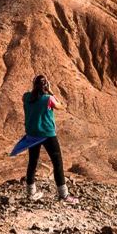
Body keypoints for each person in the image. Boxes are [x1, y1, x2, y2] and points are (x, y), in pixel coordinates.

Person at [22, 74, 77, 203]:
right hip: (47, 134)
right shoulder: (49, 99)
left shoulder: (26, 97)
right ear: (45, 86)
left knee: (32, 162)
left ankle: (30, 192)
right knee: (57, 162)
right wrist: (51, 91)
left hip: (32, 134)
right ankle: (63, 195)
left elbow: (29, 98)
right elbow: (61, 106)